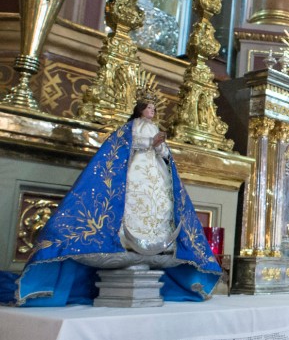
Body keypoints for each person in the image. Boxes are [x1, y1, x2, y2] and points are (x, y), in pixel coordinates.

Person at [4, 89, 221, 306]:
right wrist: (148, 144)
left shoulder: (154, 128)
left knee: (160, 204)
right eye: (148, 108)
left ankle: (156, 241)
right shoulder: (131, 127)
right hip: (135, 171)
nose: (152, 112)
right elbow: (126, 145)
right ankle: (127, 241)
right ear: (140, 109)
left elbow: (165, 153)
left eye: (154, 109)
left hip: (155, 171)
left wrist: (161, 149)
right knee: (132, 201)